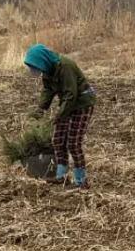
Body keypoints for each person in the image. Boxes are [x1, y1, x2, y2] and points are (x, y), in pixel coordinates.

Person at [24, 43, 96, 190]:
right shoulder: (48, 71)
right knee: (58, 140)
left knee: (73, 143)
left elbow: (71, 94)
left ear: (43, 61)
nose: (35, 71)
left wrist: (59, 116)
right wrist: (40, 109)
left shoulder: (65, 66)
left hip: (82, 103)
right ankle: (61, 176)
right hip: (68, 103)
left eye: (36, 67)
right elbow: (48, 91)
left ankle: (81, 181)